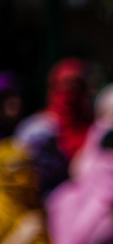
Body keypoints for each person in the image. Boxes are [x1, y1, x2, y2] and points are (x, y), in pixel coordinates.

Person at [15, 59, 93, 194]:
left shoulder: (94, 130)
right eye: (64, 86)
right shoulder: (37, 128)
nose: (69, 94)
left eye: (76, 87)